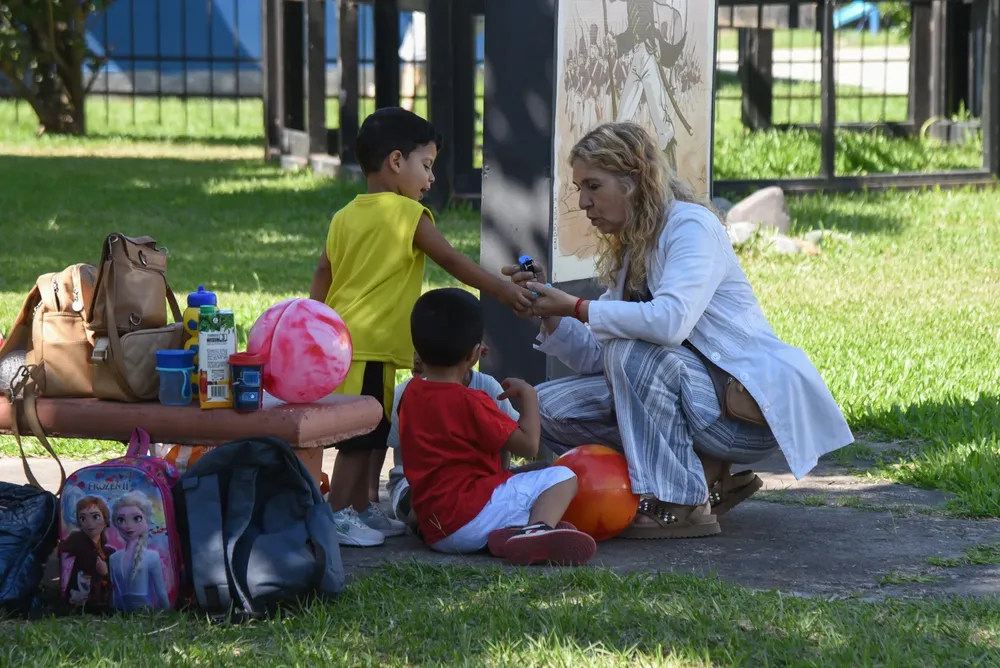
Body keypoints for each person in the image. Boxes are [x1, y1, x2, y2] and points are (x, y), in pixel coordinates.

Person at [502, 122, 854, 539]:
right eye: (580, 188)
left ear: (632, 179)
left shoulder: (691, 227)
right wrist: (553, 313)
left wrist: (578, 306)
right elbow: (601, 356)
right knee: (540, 410)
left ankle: (683, 502)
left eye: (593, 186)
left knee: (632, 354)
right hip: (694, 400)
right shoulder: (635, 246)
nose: (583, 202)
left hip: (740, 414)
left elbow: (669, 322)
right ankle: (698, 477)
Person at [309, 107, 534, 548]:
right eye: (426, 166)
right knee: (357, 439)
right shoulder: (407, 215)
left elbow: (323, 271)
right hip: (368, 346)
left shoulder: (345, 215)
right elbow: (452, 260)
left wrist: (312, 322)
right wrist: (504, 292)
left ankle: (363, 507)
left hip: (348, 343)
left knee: (372, 433)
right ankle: (338, 515)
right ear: (396, 161)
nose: (430, 180)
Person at [397, 288, 596, 566]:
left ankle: (509, 534)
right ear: (475, 354)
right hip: (468, 518)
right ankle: (536, 532)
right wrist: (529, 396)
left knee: (536, 473)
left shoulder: (410, 395)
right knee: (562, 477)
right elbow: (528, 445)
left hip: (436, 528)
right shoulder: (471, 401)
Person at [385, 347, 520, 530]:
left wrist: (501, 477)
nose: (416, 359)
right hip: (414, 485)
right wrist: (370, 494)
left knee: (536, 474)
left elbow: (509, 439)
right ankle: (422, 514)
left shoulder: (486, 388)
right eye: (414, 351)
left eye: (422, 350)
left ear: (475, 353)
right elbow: (380, 444)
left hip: (472, 482)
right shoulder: (406, 393)